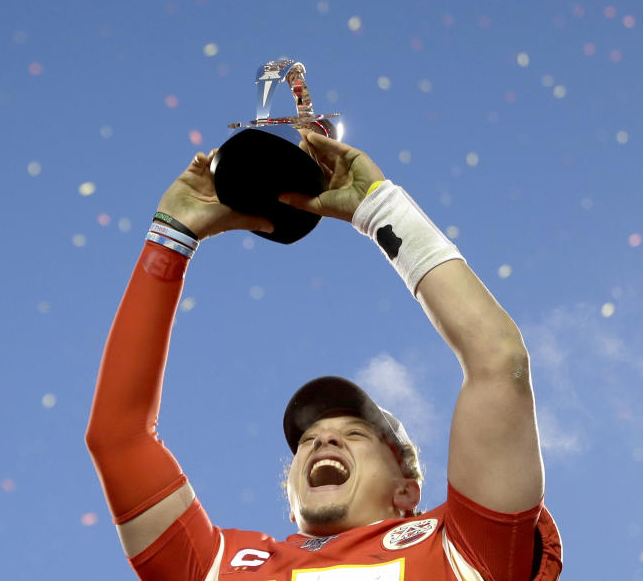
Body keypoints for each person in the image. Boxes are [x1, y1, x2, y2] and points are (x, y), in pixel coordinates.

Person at [85, 132, 562, 580]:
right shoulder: (218, 564)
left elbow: (499, 361)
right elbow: (118, 438)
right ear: (291, 502)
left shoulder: (463, 548)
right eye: (308, 439)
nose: (322, 443)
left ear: (407, 491)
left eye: (356, 433)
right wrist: (172, 236)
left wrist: (379, 209)